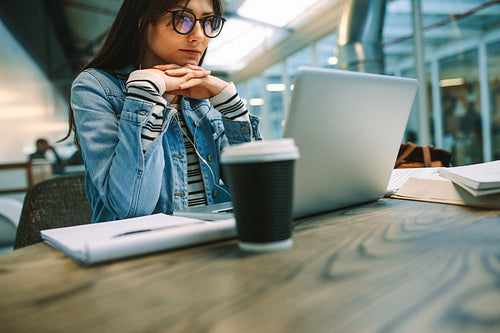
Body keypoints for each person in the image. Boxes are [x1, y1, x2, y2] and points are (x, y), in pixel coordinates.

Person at [65, 0, 261, 223]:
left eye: (208, 22)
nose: (199, 36)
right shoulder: (96, 86)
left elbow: (257, 193)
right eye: (182, 19)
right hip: (135, 250)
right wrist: (146, 92)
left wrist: (231, 105)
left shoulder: (202, 94)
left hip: (209, 242)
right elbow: (131, 206)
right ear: (144, 19)